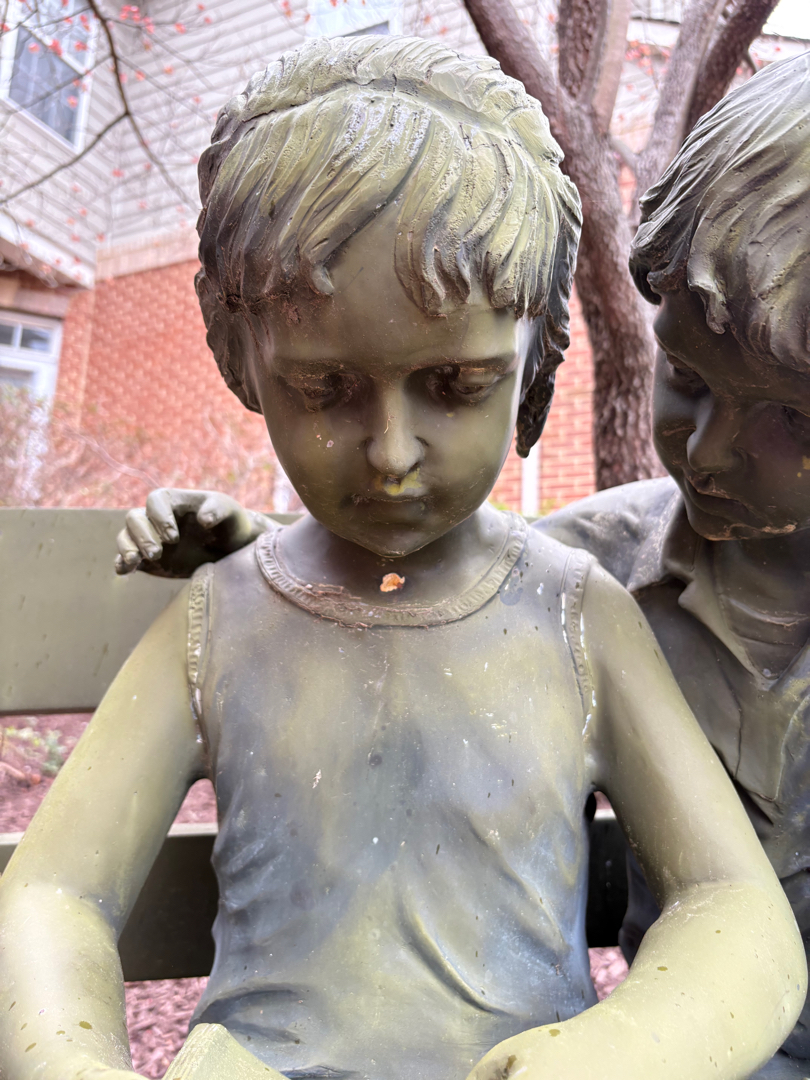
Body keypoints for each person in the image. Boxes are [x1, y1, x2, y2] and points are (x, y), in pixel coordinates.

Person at [2, 37, 803, 1080]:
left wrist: (615, 1054)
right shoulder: (218, 623)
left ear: (534, 367)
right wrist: (74, 1064)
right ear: (241, 361)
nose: (390, 453)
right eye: (324, 389)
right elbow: (55, 889)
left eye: (456, 385)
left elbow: (733, 907)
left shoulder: (578, 615)